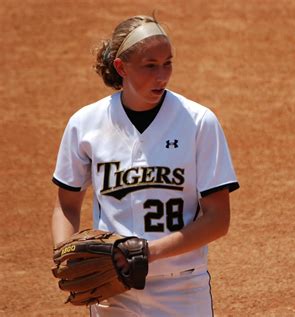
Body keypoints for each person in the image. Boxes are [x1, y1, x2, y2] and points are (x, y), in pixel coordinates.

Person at [51, 14, 239, 316]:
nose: (162, 75)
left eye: (168, 63)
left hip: (182, 288)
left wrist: (149, 253)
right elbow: (66, 206)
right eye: (150, 66)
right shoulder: (85, 124)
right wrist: (66, 254)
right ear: (121, 67)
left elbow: (218, 218)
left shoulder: (198, 122)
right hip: (113, 290)